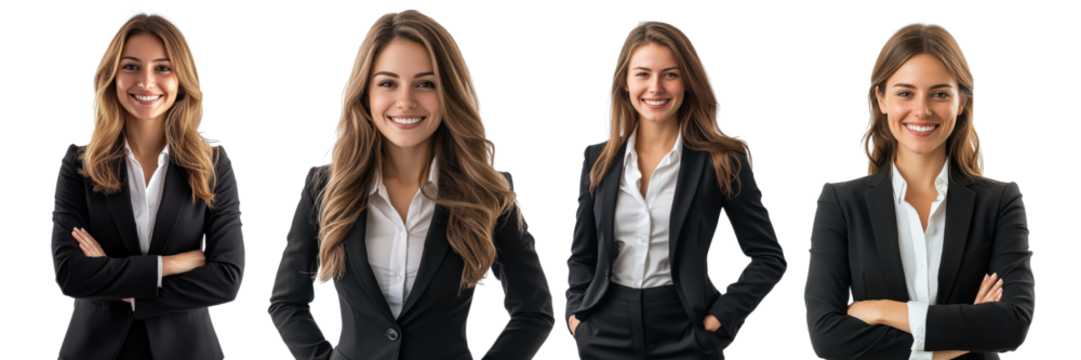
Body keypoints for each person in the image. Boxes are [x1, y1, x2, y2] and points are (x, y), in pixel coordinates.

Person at [266, 9, 555, 360]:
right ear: (365, 94)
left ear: (448, 92)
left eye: (425, 84)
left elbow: (534, 311)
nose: (406, 101)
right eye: (388, 83)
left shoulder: (487, 192)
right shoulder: (324, 188)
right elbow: (286, 303)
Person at [804, 19, 1036, 360]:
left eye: (940, 93)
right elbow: (827, 337)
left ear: (961, 102)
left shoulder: (1000, 202)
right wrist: (964, 336)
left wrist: (882, 310)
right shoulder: (841, 203)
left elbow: (1012, 324)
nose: (922, 110)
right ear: (881, 99)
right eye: (905, 93)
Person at [564, 20, 788, 359]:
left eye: (670, 74)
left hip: (686, 330)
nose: (655, 88)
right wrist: (577, 317)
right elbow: (582, 254)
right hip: (605, 329)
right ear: (625, 82)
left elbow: (769, 257)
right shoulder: (599, 159)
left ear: (687, 82)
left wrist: (721, 319)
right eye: (643, 74)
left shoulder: (721, 159)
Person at [50, 7, 245, 360]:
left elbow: (226, 279)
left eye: (162, 68)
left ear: (181, 78)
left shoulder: (212, 164)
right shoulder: (79, 164)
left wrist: (117, 279)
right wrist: (169, 265)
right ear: (112, 76)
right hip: (96, 351)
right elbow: (70, 274)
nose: (146, 82)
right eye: (131, 67)